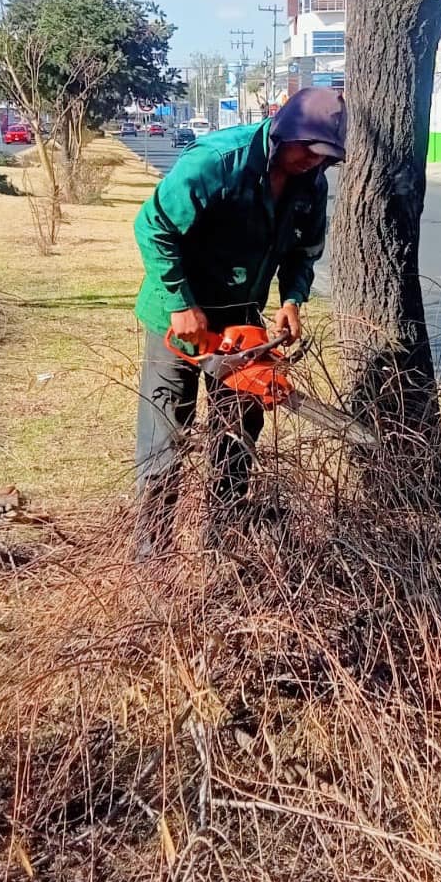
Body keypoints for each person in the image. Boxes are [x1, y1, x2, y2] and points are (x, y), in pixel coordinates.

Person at [132, 87, 348, 550]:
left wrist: (292, 300)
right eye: (309, 151)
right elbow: (153, 226)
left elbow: (303, 252)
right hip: (178, 313)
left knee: (239, 430)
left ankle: (223, 538)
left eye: (324, 157)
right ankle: (153, 558)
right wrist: (178, 303)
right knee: (166, 436)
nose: (313, 163)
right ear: (283, 133)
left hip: (241, 317)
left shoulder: (311, 182)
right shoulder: (216, 162)